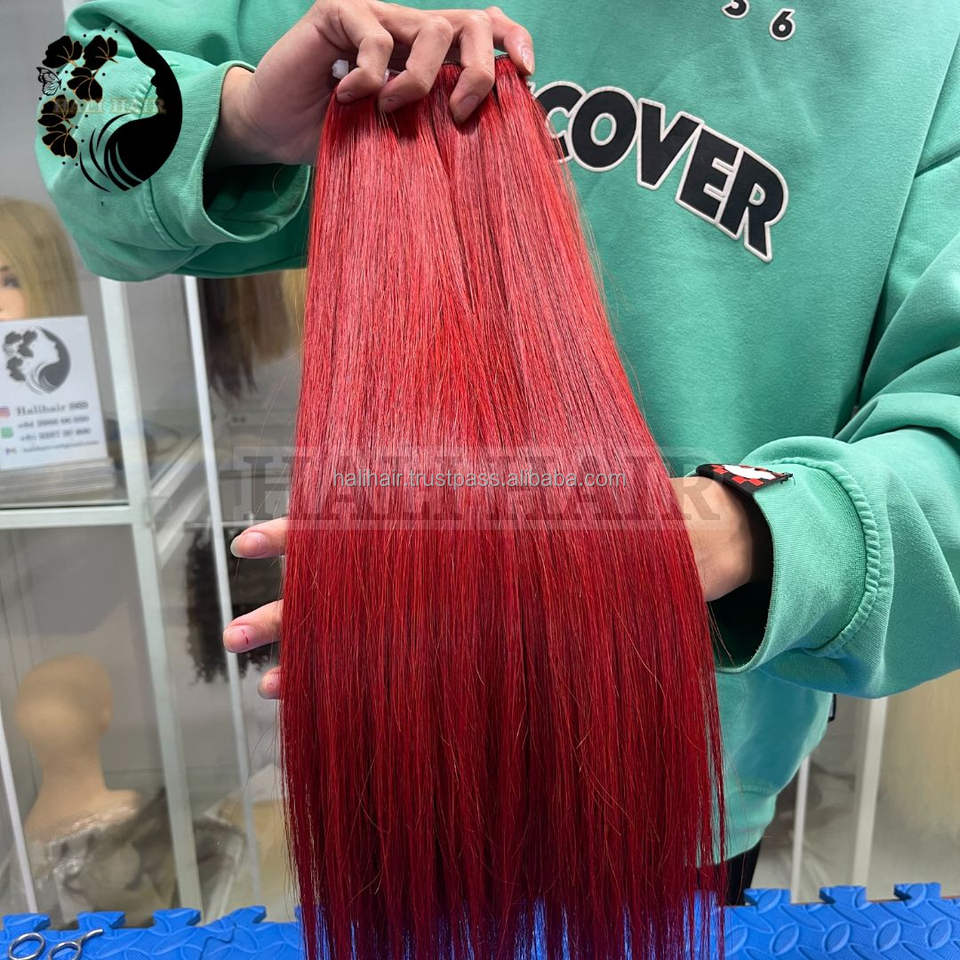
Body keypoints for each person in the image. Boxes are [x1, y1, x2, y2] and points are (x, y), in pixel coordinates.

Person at [36, 0, 960, 905]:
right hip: (392, 717)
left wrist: (741, 527)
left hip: (677, 768)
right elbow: (74, 103)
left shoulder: (921, 42)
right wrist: (241, 118)